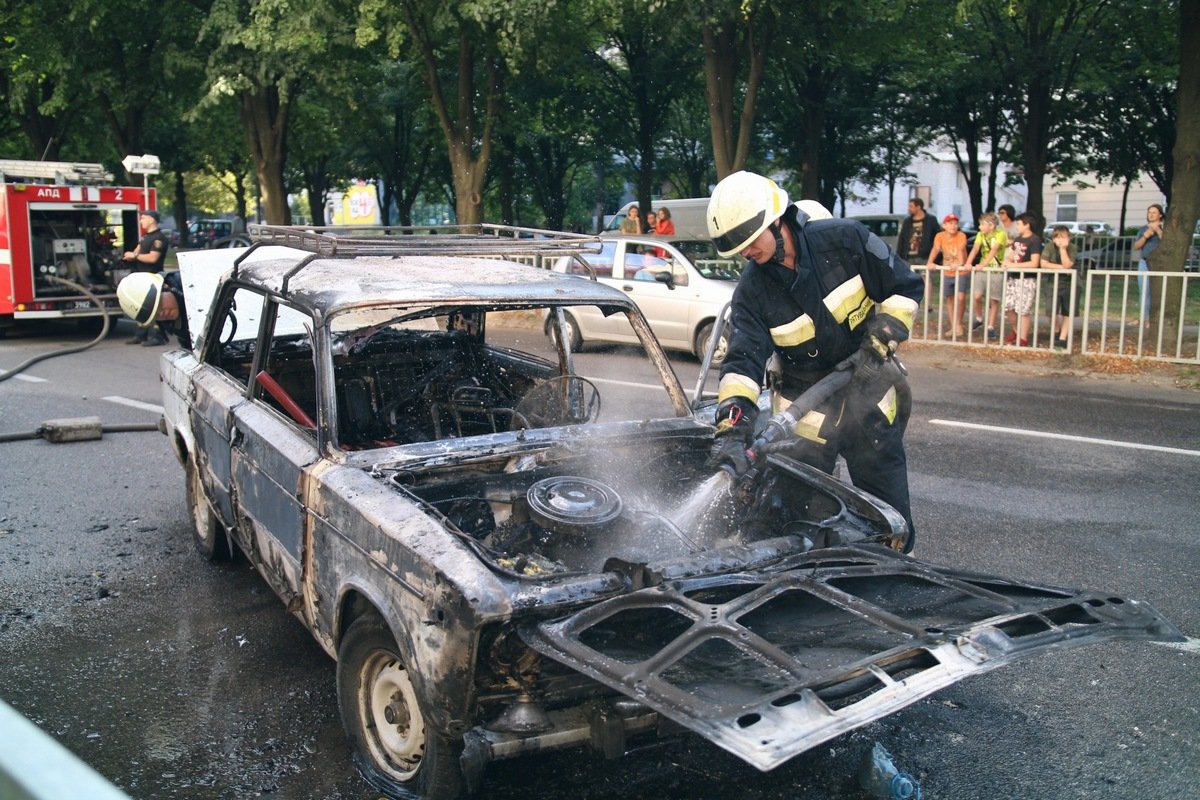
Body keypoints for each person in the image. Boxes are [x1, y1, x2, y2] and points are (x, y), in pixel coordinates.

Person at [704, 171, 923, 552]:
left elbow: (904, 285)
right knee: (786, 516)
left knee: (890, 521)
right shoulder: (753, 292)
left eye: (749, 243)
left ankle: (899, 583)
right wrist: (732, 429)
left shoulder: (844, 242)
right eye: (737, 249)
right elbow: (742, 363)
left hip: (869, 402)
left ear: (775, 221)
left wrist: (882, 336)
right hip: (805, 419)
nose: (745, 254)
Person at [122, 209, 170, 345]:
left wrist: (135, 256)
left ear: (151, 220)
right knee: (141, 306)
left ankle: (159, 337)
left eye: (143, 218)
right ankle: (141, 335)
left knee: (156, 307)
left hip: (153, 277)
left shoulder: (159, 238)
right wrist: (130, 255)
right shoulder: (145, 237)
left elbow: (153, 258)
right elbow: (137, 251)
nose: (141, 221)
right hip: (142, 277)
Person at [1001, 212, 1042, 347]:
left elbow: (1034, 262)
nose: (1016, 226)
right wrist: (1007, 261)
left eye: (1018, 224)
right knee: (1008, 307)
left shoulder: (1035, 240)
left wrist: (1014, 265)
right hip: (1013, 278)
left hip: (1027, 279)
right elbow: (1012, 255)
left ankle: (1023, 338)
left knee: (1023, 310)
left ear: (1027, 225)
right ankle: (1016, 331)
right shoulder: (1018, 239)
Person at [966, 212, 1007, 341]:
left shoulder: (1000, 235)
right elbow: (975, 249)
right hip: (983, 270)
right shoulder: (980, 235)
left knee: (994, 299)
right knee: (977, 295)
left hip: (996, 270)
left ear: (991, 225)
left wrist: (983, 264)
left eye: (982, 224)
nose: (980, 227)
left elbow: (994, 250)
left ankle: (991, 326)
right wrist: (968, 263)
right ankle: (979, 318)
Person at [927, 214, 969, 337]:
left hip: (961, 271)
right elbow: (935, 249)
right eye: (950, 223)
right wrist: (930, 262)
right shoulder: (940, 236)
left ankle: (959, 324)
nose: (953, 226)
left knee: (960, 297)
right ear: (944, 225)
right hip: (948, 271)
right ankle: (953, 325)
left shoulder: (961, 235)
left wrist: (960, 263)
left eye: (955, 223)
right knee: (949, 298)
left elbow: (961, 249)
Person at [1041, 225, 1078, 350]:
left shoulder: (1072, 248)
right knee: (1050, 311)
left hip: (1070, 283)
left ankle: (1062, 338)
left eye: (1064, 237)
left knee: (1067, 311)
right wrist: (1061, 268)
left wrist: (1063, 249)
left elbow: (1068, 264)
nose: (1061, 240)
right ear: (1054, 238)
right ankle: (1057, 330)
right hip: (1053, 282)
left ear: (1069, 238)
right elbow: (1043, 264)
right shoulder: (1049, 247)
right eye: (1058, 237)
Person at [1134, 203, 1165, 320]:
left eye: (1154, 213)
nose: (1151, 215)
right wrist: (1145, 236)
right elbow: (1136, 246)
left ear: (1160, 215)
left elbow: (1167, 243)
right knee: (1144, 291)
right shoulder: (1143, 229)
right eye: (1149, 212)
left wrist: (1158, 230)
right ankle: (1144, 318)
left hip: (1159, 264)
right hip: (1144, 263)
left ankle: (1156, 318)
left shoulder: (1164, 228)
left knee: (1157, 292)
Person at [896, 198, 941, 265]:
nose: (909, 209)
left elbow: (938, 236)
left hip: (925, 257)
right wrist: (899, 257)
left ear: (918, 207)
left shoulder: (931, 220)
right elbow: (902, 239)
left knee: (924, 275)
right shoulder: (907, 221)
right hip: (908, 258)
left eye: (911, 206)